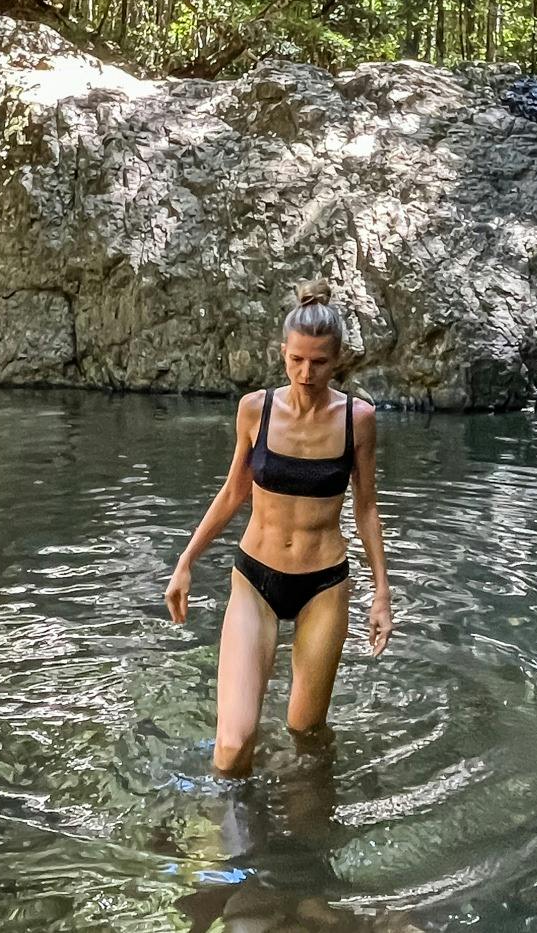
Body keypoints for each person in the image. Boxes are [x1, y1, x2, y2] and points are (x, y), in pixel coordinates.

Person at [164, 278, 393, 776]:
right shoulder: (256, 409)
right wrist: (185, 562)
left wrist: (381, 594)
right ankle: (222, 841)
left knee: (305, 735)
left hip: (323, 585)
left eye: (320, 362)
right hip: (255, 579)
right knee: (232, 742)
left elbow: (367, 507)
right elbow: (233, 493)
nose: (306, 373)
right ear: (282, 352)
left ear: (339, 361)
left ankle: (303, 830)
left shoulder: (358, 419)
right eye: (296, 360)